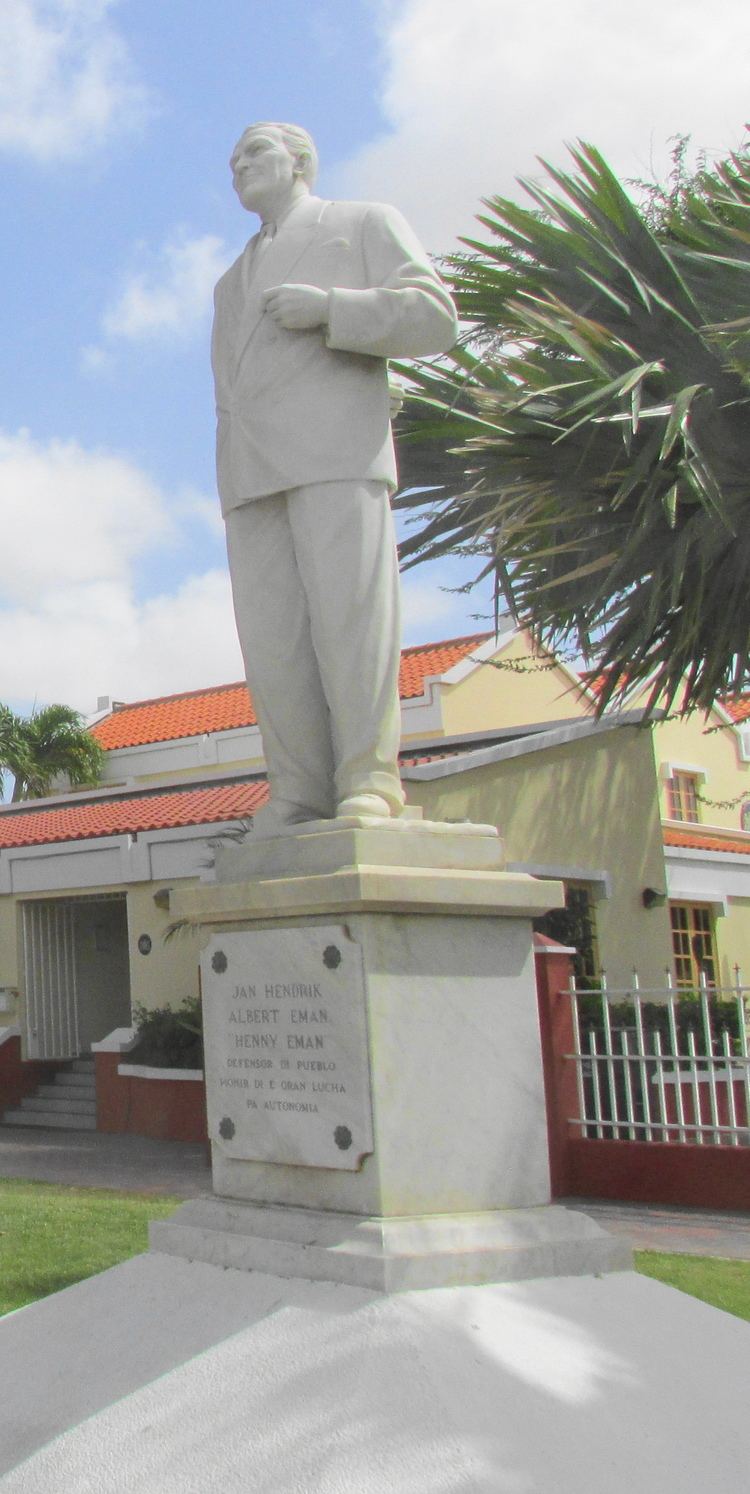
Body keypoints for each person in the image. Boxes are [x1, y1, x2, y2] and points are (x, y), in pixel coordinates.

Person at [212, 121, 458, 830]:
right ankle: (299, 786)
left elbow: (435, 318)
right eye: (231, 161)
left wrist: (332, 309)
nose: (238, 167)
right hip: (251, 474)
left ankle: (369, 780)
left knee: (352, 620)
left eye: (253, 151)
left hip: (335, 454)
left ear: (300, 161)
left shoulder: (361, 224)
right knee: (273, 642)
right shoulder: (230, 282)